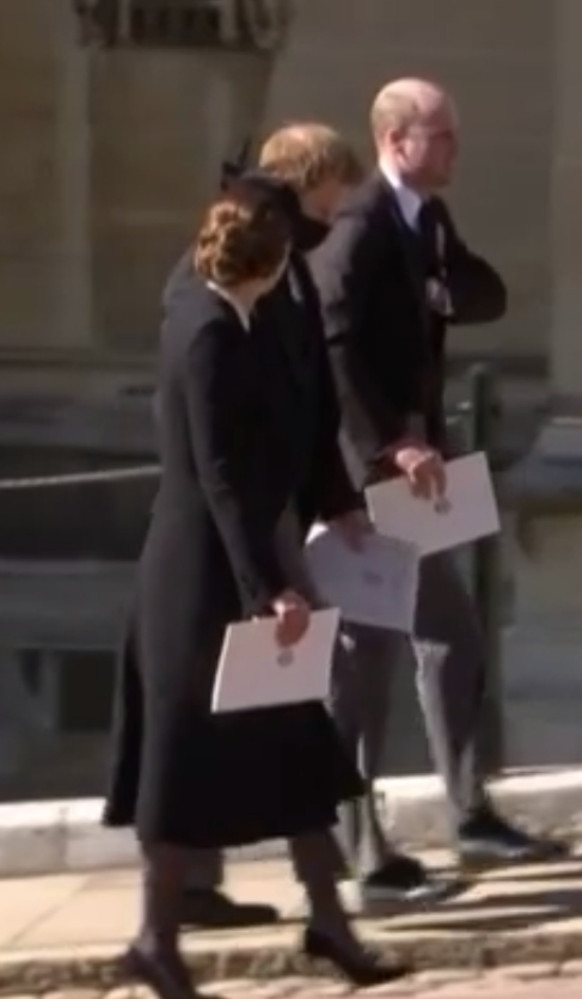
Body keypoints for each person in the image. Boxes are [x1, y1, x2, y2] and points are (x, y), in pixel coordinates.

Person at [103, 180, 408, 998]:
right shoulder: (202, 331)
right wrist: (269, 586)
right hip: (195, 576)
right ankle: (155, 940)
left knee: (301, 746)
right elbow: (220, 477)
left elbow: (292, 430)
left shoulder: (251, 316)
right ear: (266, 264)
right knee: (181, 763)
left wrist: (331, 507)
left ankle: (330, 923)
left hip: (238, 566)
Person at [309, 77, 569, 909]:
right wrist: (392, 440)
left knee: (451, 635)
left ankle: (469, 812)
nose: (455, 149)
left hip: (423, 472)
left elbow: (483, 292)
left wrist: (444, 287)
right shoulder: (358, 230)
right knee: (367, 660)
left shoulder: (429, 220)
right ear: (396, 142)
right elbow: (334, 347)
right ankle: (360, 847)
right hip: (373, 474)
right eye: (442, 136)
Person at [166, 126, 383, 928]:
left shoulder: (290, 261)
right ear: (303, 184)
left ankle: (323, 901)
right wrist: (267, 575)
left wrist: (335, 498)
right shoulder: (230, 273)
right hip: (232, 535)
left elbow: (311, 400)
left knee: (289, 708)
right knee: (223, 707)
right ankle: (192, 894)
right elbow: (220, 442)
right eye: (333, 191)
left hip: (276, 515)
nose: (340, 208)